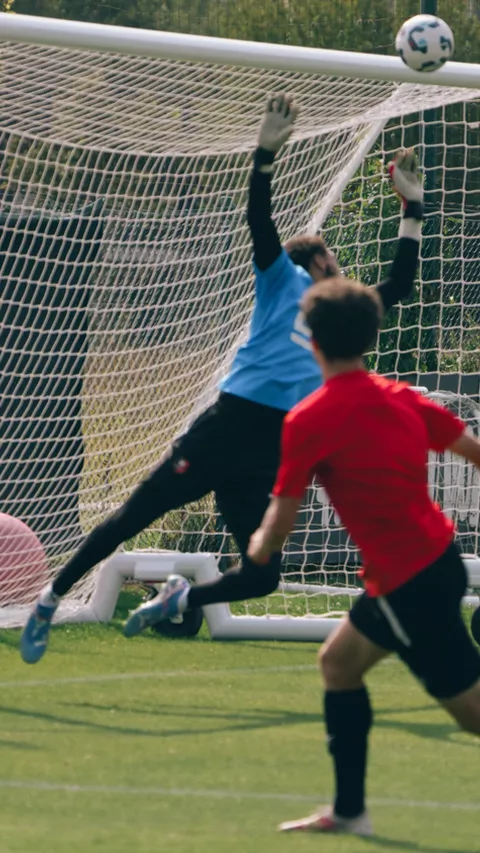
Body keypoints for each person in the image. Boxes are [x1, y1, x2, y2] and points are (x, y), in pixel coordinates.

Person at [20, 94, 423, 664]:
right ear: (313, 267)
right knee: (131, 518)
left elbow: (399, 286)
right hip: (226, 427)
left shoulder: (343, 314)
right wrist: (264, 155)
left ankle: (182, 598)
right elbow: (260, 220)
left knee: (262, 577)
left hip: (274, 447)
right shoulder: (282, 281)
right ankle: (48, 600)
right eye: (332, 263)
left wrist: (413, 207)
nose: (340, 271)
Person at [247, 275, 480, 836]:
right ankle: (350, 812)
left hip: (408, 580)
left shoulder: (310, 417)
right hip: (428, 564)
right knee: (339, 664)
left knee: (474, 716)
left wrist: (258, 552)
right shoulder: (401, 397)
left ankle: (351, 811)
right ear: (371, 336)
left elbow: (280, 519)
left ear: (311, 340)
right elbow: (475, 452)